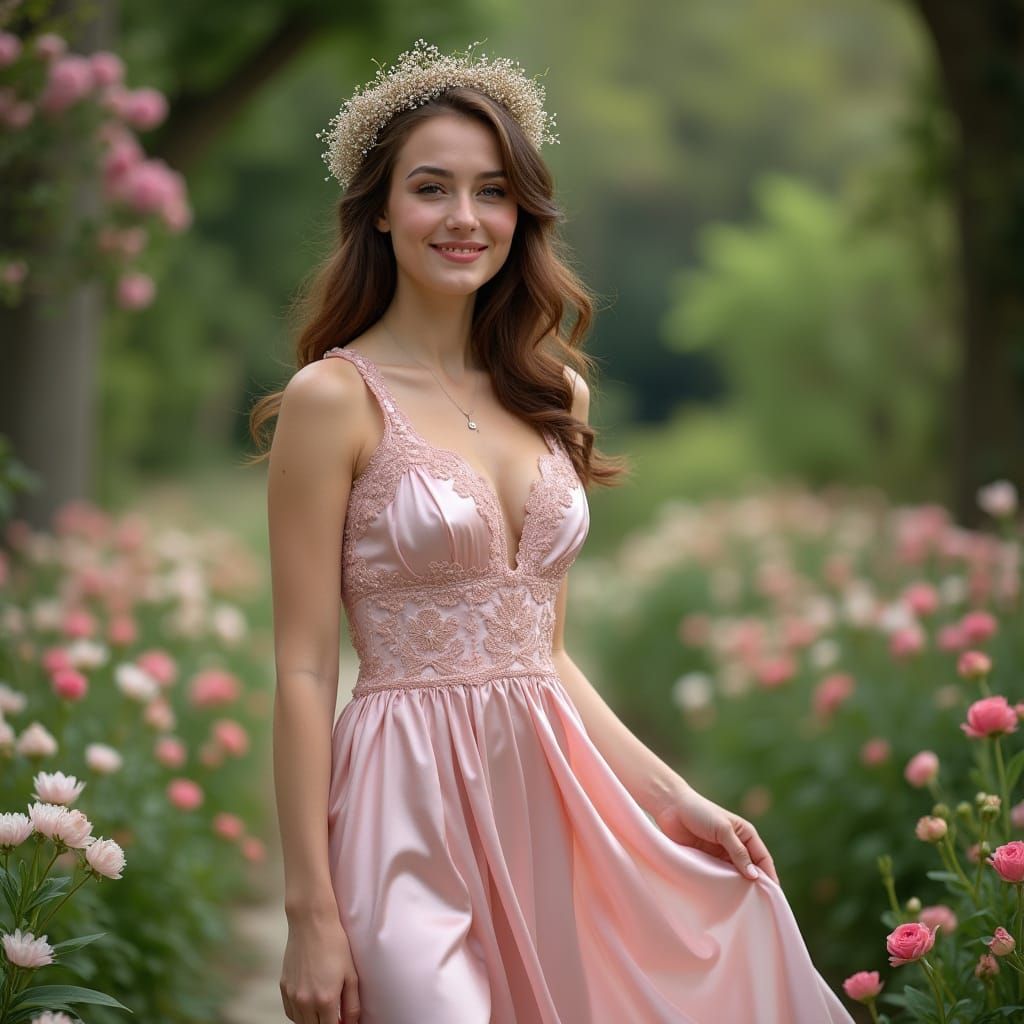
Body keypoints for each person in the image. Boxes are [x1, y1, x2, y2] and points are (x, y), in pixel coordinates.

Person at [253, 38, 854, 1024]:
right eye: (431, 188)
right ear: (378, 211)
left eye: (491, 192)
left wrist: (671, 796)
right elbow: (305, 668)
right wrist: (308, 910)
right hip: (404, 811)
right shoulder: (334, 399)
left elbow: (547, 652)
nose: (463, 218)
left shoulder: (552, 393)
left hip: (551, 797)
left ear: (520, 213)